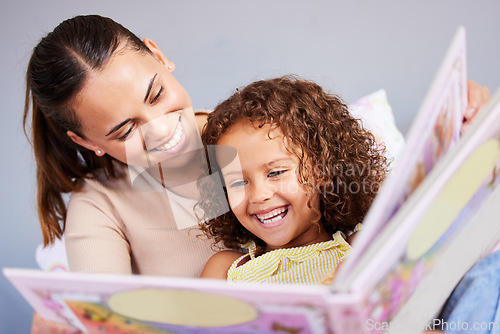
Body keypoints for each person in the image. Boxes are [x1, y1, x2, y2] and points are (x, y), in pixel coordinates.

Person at [24, 13, 490, 333]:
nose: (162, 130)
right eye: (125, 130)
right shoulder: (102, 205)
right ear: (87, 142)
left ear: (159, 55)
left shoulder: (257, 131)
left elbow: (389, 213)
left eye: (156, 94)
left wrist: (461, 130)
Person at [198, 76, 388, 283]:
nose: (259, 195)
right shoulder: (226, 270)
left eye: (275, 173)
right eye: (238, 183)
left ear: (322, 172)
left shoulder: (358, 247)